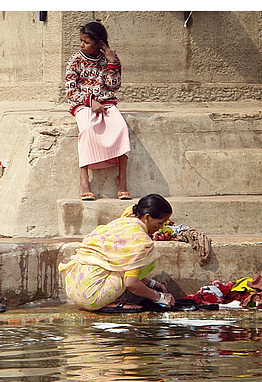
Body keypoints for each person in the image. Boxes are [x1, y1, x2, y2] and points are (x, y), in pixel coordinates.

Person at [59, 194, 176, 312]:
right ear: (146, 217)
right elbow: (131, 283)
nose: (160, 228)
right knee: (130, 266)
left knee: (122, 263)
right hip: (90, 298)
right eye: (160, 223)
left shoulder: (123, 222)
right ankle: (106, 304)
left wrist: (151, 283)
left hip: (73, 289)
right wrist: (159, 297)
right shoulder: (140, 240)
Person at [65, 21, 132, 201]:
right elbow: (70, 91)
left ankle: (122, 180)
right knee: (87, 129)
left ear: (98, 43)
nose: (81, 45)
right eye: (81, 40)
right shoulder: (75, 60)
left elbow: (114, 86)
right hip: (83, 104)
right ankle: (84, 179)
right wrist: (90, 101)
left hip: (107, 103)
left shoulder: (109, 59)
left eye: (86, 42)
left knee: (121, 129)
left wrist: (112, 63)